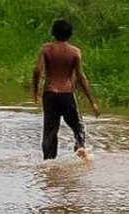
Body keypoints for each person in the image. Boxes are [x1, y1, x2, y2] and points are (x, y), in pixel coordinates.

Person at [32, 18, 100, 160]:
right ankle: (80, 147)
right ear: (70, 34)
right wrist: (92, 101)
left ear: (53, 33)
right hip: (67, 95)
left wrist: (35, 91)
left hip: (50, 94)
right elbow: (81, 77)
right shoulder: (75, 52)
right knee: (78, 126)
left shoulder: (46, 49)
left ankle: (49, 162)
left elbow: (38, 70)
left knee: (50, 131)